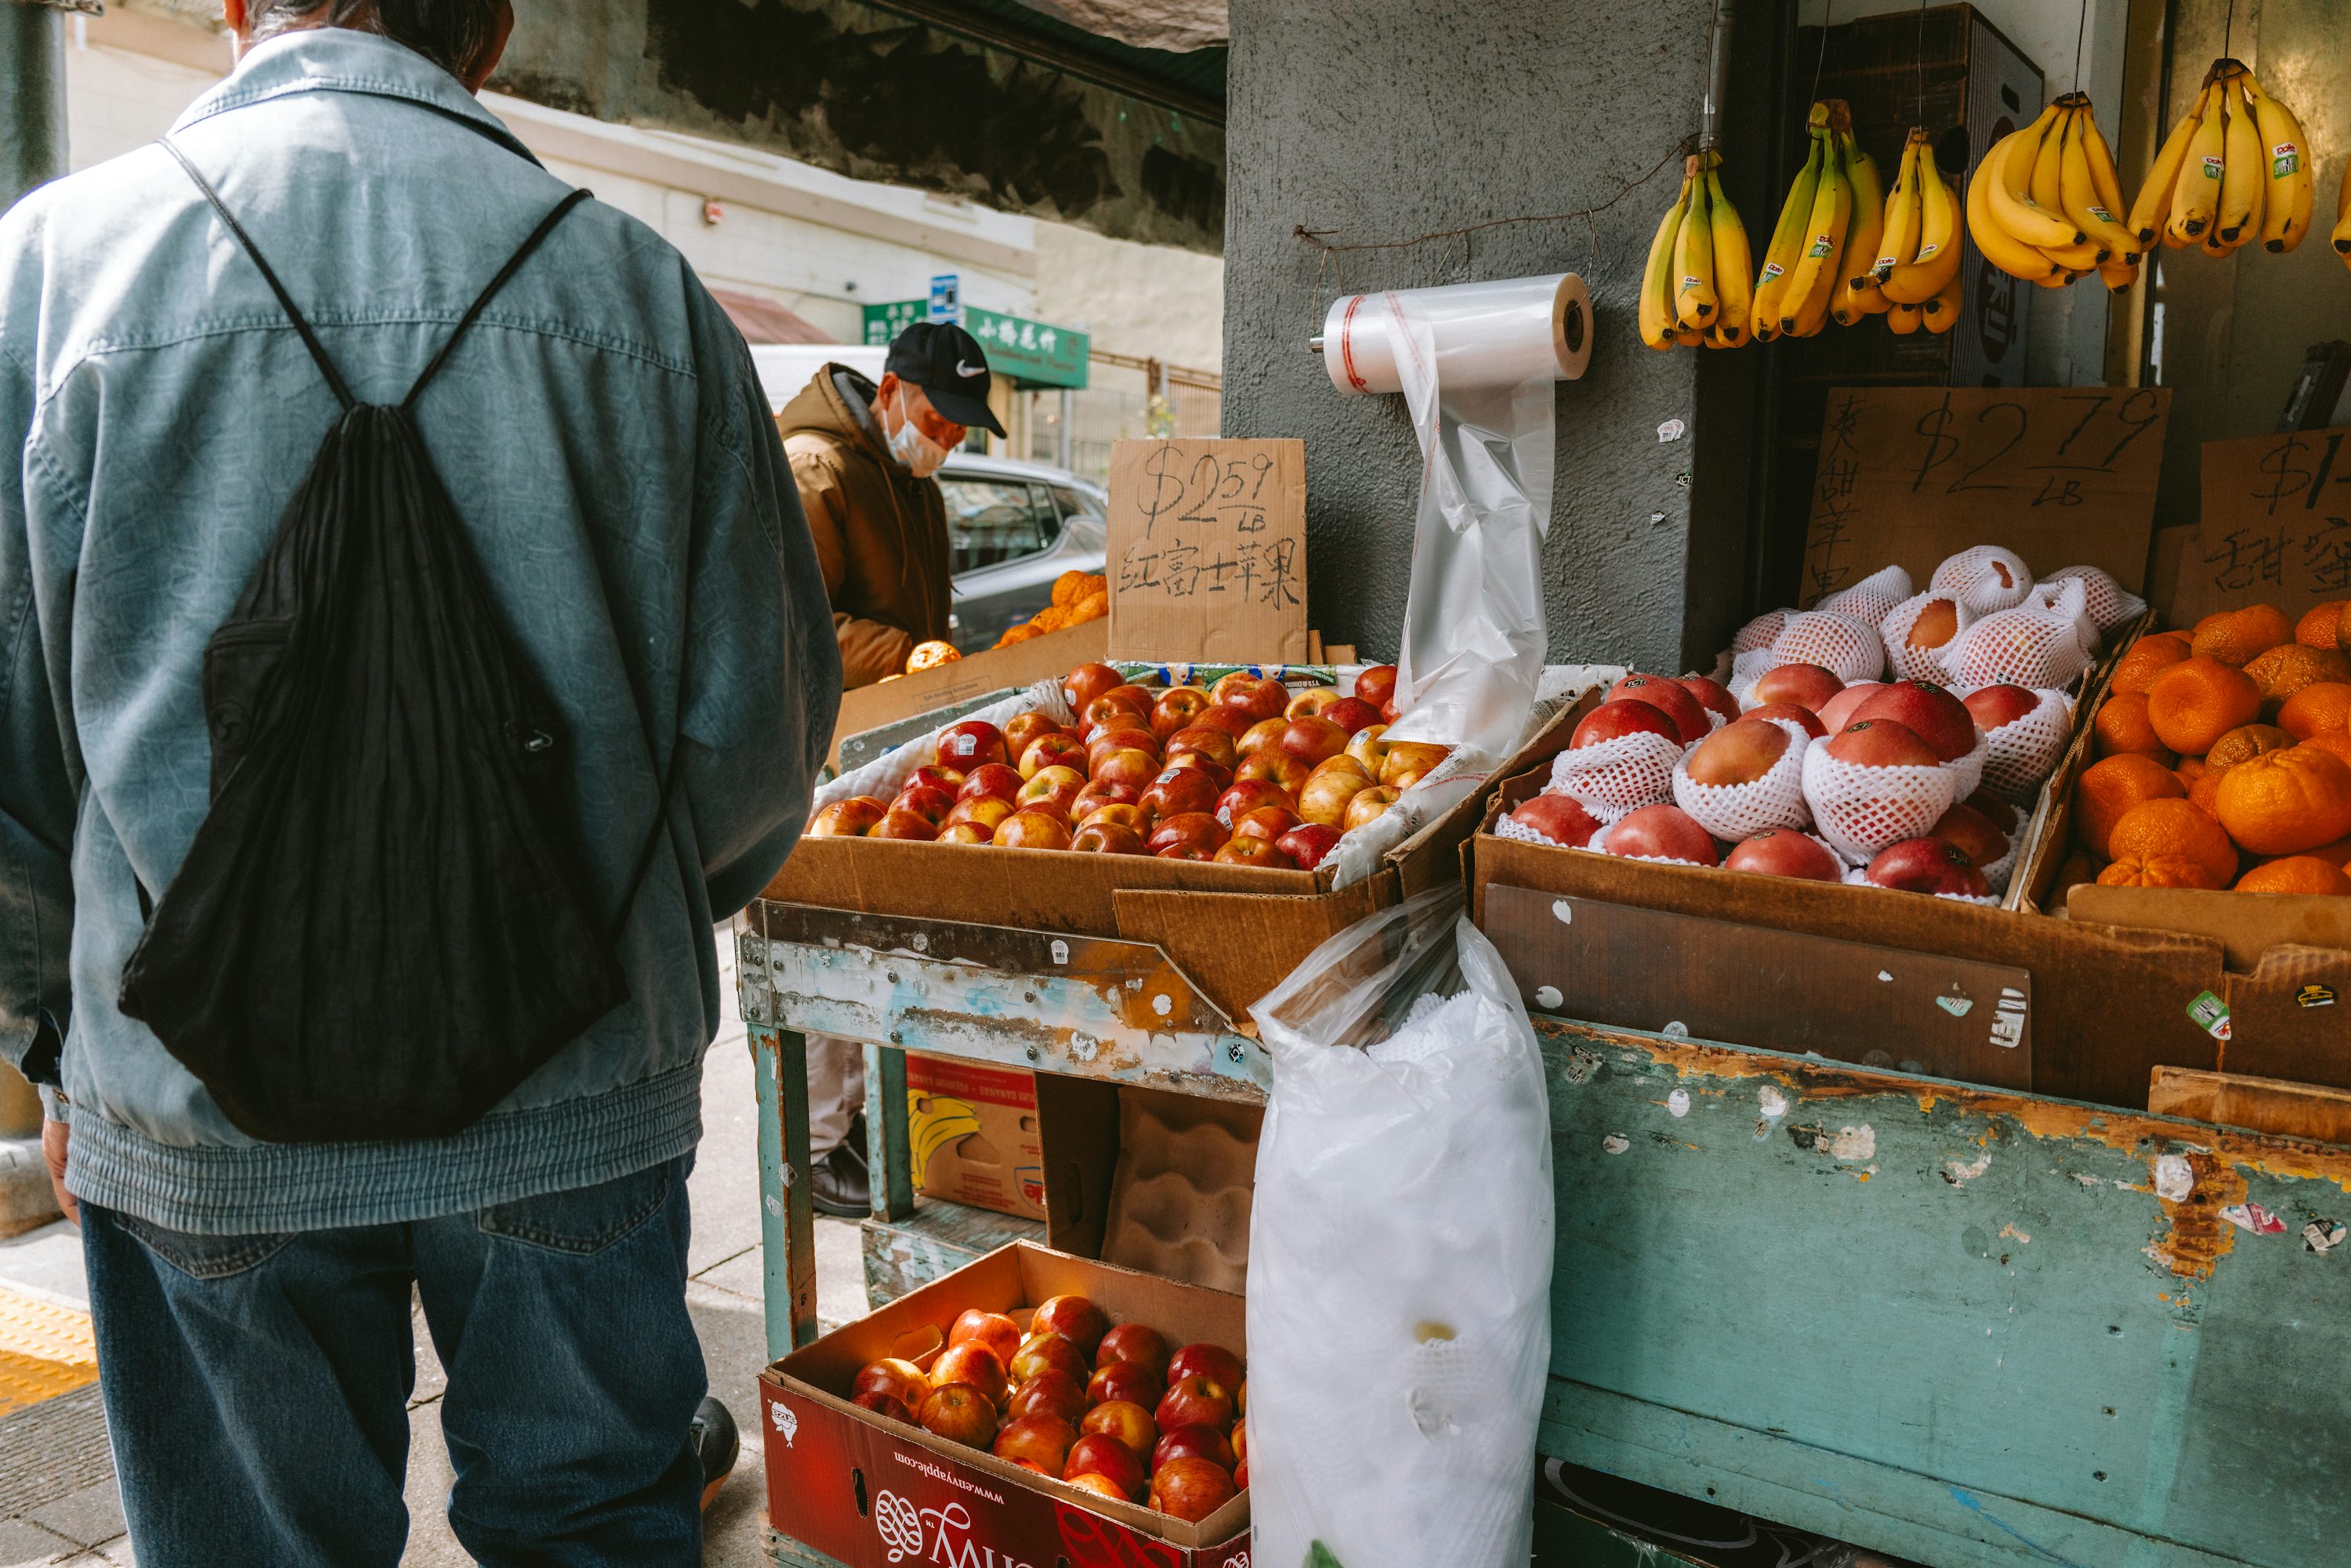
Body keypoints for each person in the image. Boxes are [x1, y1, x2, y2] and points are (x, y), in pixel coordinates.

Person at [0, 2, 837, 1563]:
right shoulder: (645, 295)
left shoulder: (52, 272)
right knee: (592, 1528)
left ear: (241, 8)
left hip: (194, 1104)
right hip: (576, 1088)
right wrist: (598, 930)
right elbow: (753, 748)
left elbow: (6, 766)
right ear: (493, 32)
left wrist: (53, 1034)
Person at [779, 322, 1004, 1216]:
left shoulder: (912, 481)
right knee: (827, 944)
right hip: (818, 743)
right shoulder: (816, 470)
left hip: (883, 746)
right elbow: (795, 620)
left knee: (870, 944)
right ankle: (814, 1147)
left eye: (958, 426)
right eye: (936, 417)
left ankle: (850, 1122)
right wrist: (907, 655)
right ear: (888, 391)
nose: (945, 437)